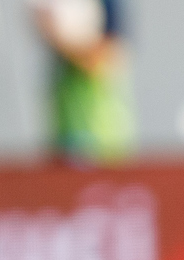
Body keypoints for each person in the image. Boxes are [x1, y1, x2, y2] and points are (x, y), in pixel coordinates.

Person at [33, 0, 136, 164]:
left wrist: (60, 36)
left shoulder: (108, 4)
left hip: (103, 145)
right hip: (65, 143)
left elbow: (109, 57)